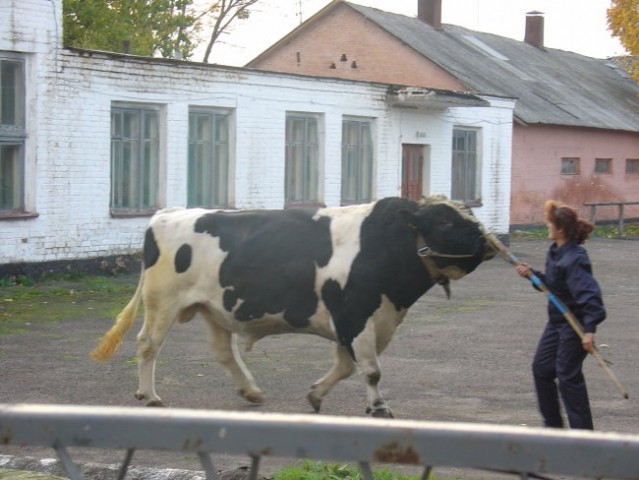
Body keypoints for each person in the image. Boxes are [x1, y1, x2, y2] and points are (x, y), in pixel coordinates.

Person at [515, 200, 606, 430]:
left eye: (549, 224)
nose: (547, 227)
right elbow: (553, 287)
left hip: (574, 324)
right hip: (557, 322)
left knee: (568, 376)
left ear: (560, 229)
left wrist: (589, 330)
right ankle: (553, 429)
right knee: (542, 369)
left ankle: (584, 438)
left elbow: (591, 296)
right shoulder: (555, 252)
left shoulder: (575, 258)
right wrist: (532, 275)